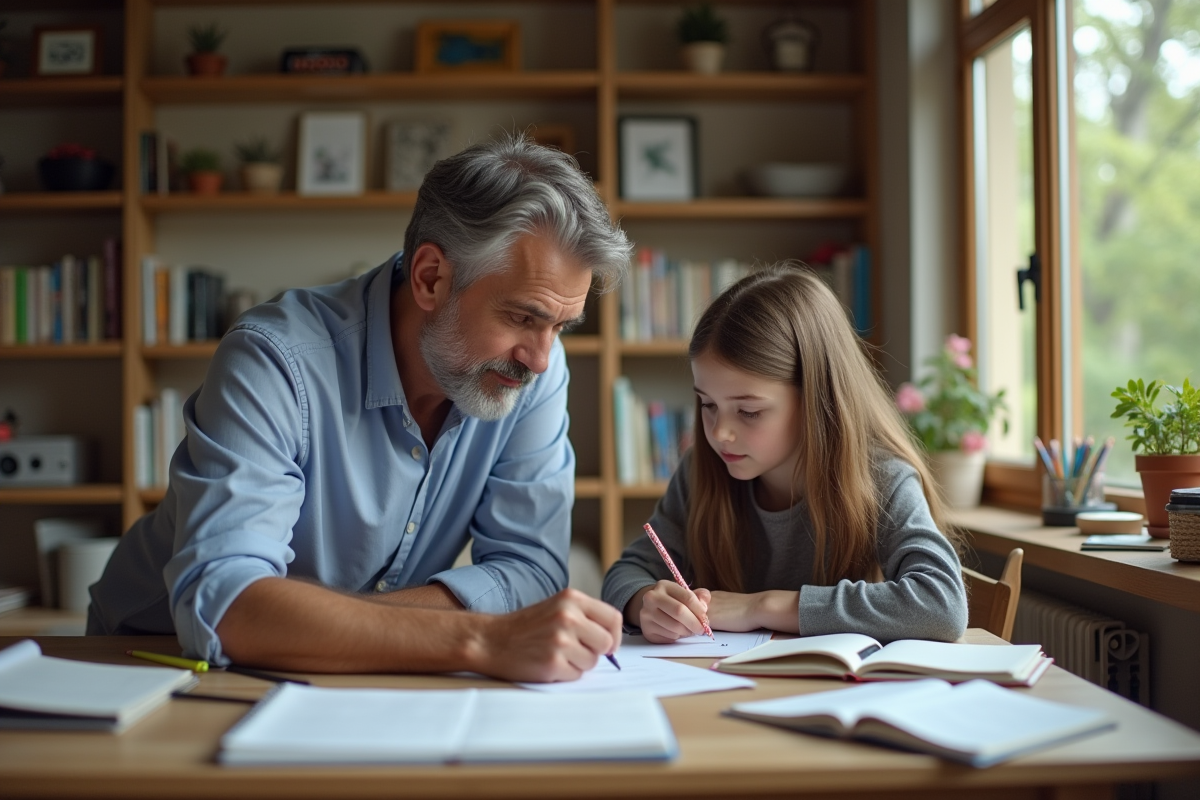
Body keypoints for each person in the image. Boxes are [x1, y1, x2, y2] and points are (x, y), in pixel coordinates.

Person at [89, 134, 633, 683]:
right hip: (154, 664)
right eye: (522, 317)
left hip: (363, 670)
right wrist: (481, 635)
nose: (541, 359)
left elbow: (532, 572)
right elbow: (227, 605)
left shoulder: (532, 370)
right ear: (430, 278)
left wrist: (325, 627)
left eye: (559, 327)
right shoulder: (275, 360)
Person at [602, 264, 968, 644]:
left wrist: (760, 606)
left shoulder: (882, 480)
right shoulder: (701, 472)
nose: (720, 432)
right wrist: (645, 602)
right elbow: (625, 574)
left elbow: (942, 605)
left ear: (815, 398)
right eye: (708, 404)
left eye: (749, 411)